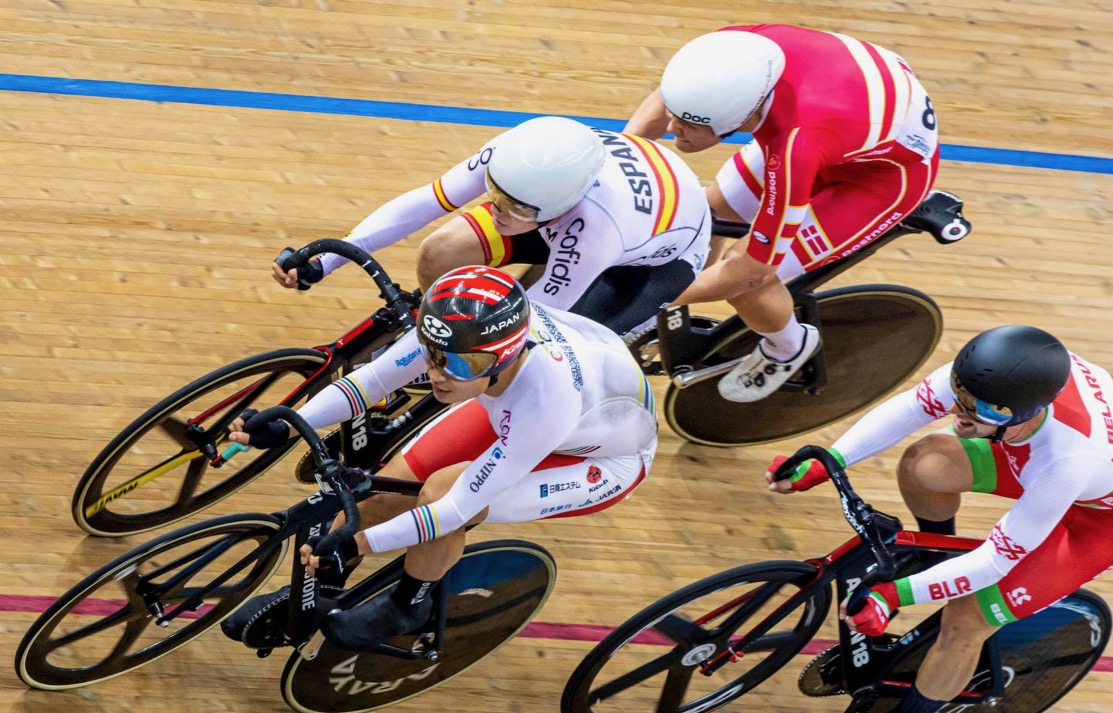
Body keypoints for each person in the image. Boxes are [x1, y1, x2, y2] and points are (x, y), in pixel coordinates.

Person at [767, 325, 1113, 713]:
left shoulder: (1067, 461)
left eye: (980, 413)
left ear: (1021, 412)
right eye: (959, 400)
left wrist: (894, 595)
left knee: (965, 620)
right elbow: (911, 408)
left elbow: (997, 559)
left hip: (1112, 517)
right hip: (1039, 456)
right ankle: (936, 561)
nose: (960, 416)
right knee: (924, 463)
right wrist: (830, 460)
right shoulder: (993, 377)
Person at [222, 265, 658, 650]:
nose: (437, 374)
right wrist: (289, 421)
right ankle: (320, 593)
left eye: (458, 367)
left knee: (440, 493)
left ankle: (409, 603)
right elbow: (369, 382)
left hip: (602, 459)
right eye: (432, 356)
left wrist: (359, 543)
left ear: (502, 358)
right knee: (382, 492)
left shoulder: (547, 398)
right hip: (514, 409)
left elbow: (452, 509)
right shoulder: (459, 330)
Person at [625, 25, 940, 402]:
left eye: (690, 124)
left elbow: (749, 274)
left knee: (748, 282)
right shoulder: (731, 51)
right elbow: (664, 101)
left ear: (737, 118)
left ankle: (788, 347)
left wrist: (649, 298)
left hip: (881, 180)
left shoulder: (795, 148)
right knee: (707, 214)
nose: (674, 128)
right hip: (840, 121)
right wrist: (624, 156)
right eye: (676, 115)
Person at [276, 115, 712, 337]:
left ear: (556, 207)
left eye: (513, 207)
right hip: (564, 216)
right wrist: (327, 260)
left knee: (540, 356)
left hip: (653, 260)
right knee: (441, 252)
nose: (497, 210)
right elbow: (424, 204)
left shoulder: (597, 230)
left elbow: (530, 319)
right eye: (494, 194)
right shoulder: (516, 153)